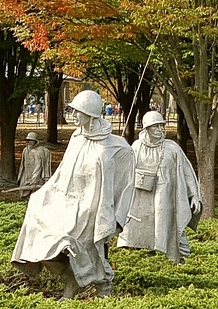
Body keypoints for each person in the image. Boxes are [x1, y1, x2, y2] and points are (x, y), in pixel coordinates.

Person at [12, 90, 134, 299]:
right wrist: (44, 194)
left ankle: (102, 284)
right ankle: (71, 279)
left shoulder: (116, 147)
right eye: (74, 111)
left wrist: (117, 217)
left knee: (71, 242)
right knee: (40, 235)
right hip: (67, 204)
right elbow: (64, 174)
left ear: (91, 113)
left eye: (79, 112)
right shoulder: (77, 138)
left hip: (92, 209)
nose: (75, 116)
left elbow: (125, 185)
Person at [116, 111, 202, 263]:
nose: (161, 130)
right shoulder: (136, 147)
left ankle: (180, 258)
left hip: (166, 196)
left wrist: (194, 194)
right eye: (156, 126)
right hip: (142, 196)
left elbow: (187, 172)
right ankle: (147, 255)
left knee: (171, 223)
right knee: (143, 226)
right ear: (147, 128)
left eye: (162, 126)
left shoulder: (172, 148)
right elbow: (124, 171)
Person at [16, 132, 52, 197]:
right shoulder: (25, 150)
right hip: (26, 174)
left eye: (31, 140)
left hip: (35, 176)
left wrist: (34, 180)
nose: (30, 142)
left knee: (35, 193)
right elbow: (22, 164)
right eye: (28, 140)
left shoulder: (38, 152)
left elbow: (38, 167)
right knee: (24, 191)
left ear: (35, 141)